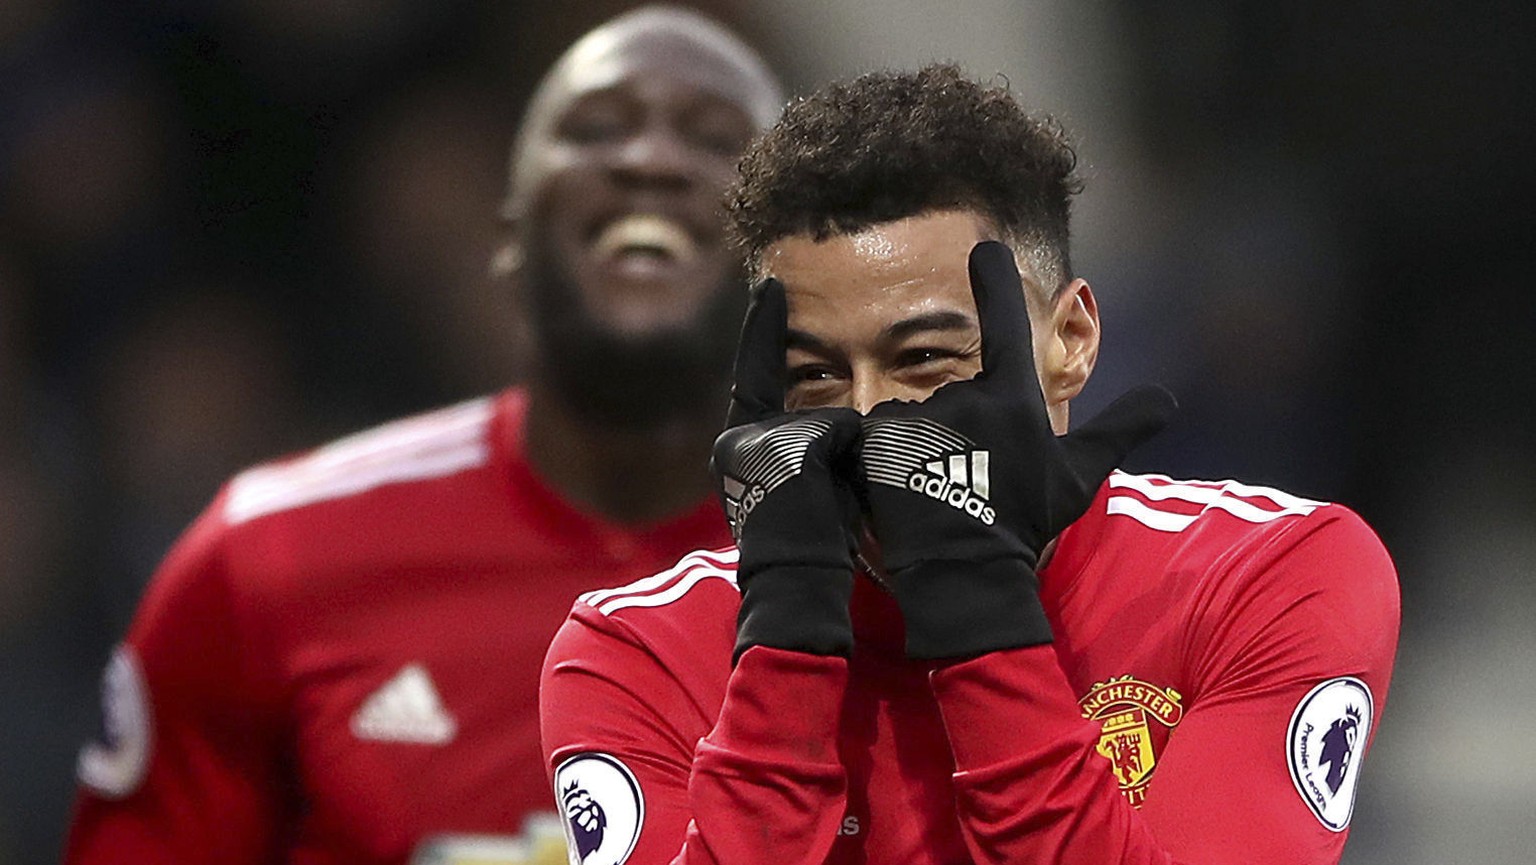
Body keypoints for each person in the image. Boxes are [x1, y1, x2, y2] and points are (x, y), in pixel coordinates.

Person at [540, 64, 1400, 865]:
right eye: (817, 376)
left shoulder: (1268, 576)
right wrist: (787, 651)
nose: (873, 424)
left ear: (1070, 342)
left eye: (924, 363)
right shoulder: (634, 653)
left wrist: (982, 608)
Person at [64, 8, 784, 864]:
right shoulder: (268, 559)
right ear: (507, 235)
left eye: (711, 138)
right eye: (596, 132)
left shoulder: (920, 565)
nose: (650, 164)